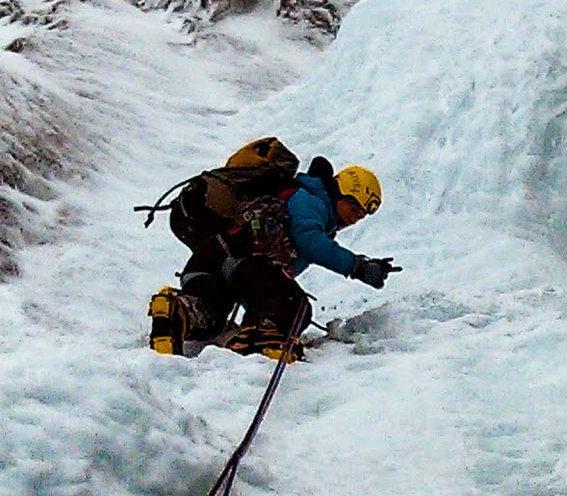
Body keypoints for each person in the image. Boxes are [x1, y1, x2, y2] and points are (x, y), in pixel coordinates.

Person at [148, 153, 395, 360]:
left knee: (210, 315)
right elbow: (310, 242)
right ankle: (261, 337)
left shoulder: (299, 198)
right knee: (293, 306)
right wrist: (358, 266)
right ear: (339, 193)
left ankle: (176, 311)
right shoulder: (309, 200)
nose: (354, 219)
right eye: (353, 208)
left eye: (361, 216)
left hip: (208, 260)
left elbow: (259, 289)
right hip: (241, 259)